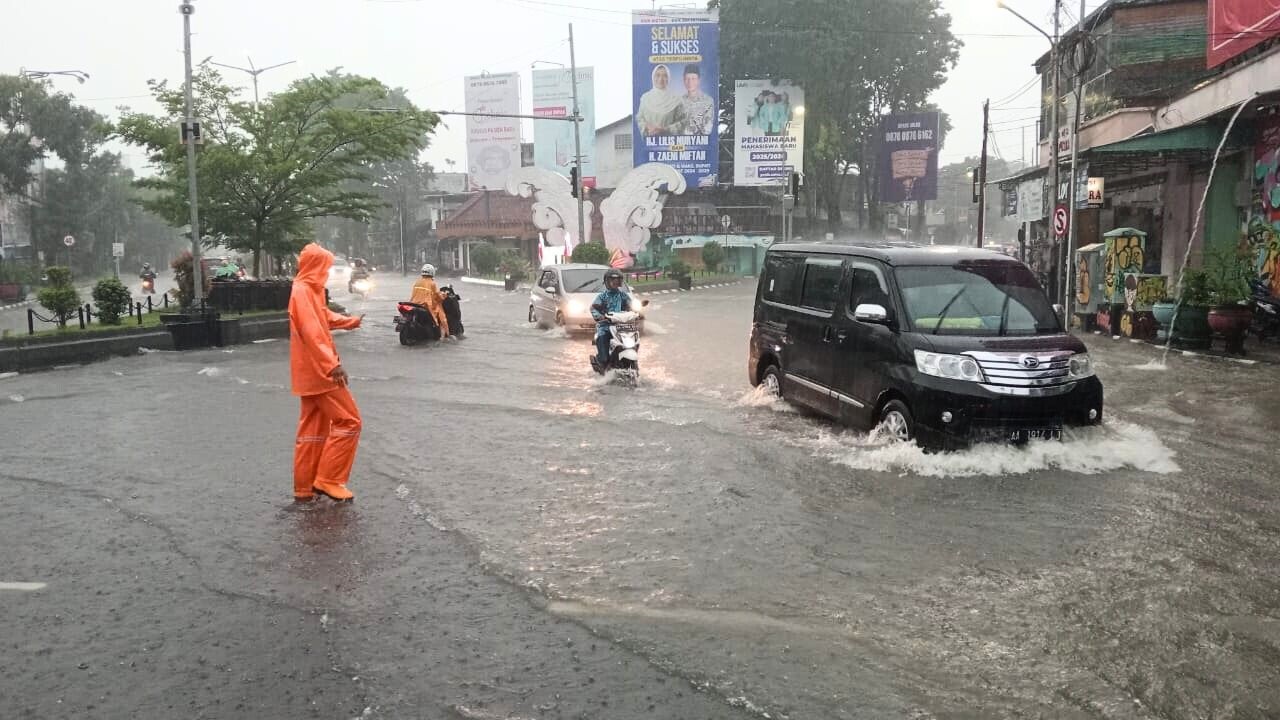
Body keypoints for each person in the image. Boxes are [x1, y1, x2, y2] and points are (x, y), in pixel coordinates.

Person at [289, 243, 365, 503]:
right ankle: (329, 479)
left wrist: (349, 321)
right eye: (325, 267)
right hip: (321, 373)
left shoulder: (307, 291)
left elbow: (323, 317)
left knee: (312, 431)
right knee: (350, 421)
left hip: (309, 373)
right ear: (315, 266)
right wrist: (331, 364)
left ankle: (305, 487)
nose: (328, 272)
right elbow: (312, 331)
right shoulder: (303, 292)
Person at [589, 268, 632, 374]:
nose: (615, 282)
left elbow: (631, 306)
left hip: (622, 327)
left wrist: (637, 311)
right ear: (607, 281)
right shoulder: (602, 296)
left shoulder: (623, 296)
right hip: (605, 327)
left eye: (618, 280)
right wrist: (600, 317)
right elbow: (593, 308)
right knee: (604, 353)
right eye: (613, 280)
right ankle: (602, 364)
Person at [636, 64, 683, 137]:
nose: (661, 79)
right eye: (657, 75)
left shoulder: (676, 99)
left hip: (669, 144)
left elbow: (683, 122)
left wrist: (666, 129)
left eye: (665, 76)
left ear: (669, 78)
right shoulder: (645, 98)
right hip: (649, 144)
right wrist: (647, 127)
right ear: (653, 77)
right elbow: (640, 119)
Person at [409, 263, 450, 337]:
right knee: (442, 318)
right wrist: (444, 295)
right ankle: (443, 337)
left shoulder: (417, 282)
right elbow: (437, 296)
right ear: (432, 272)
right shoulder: (432, 283)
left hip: (413, 304)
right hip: (426, 306)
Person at [679, 64, 714, 136]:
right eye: (687, 79)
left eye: (693, 79)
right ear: (683, 80)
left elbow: (707, 130)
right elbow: (676, 127)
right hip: (681, 143)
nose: (690, 82)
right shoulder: (679, 102)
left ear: (698, 80)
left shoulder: (707, 101)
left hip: (701, 144)